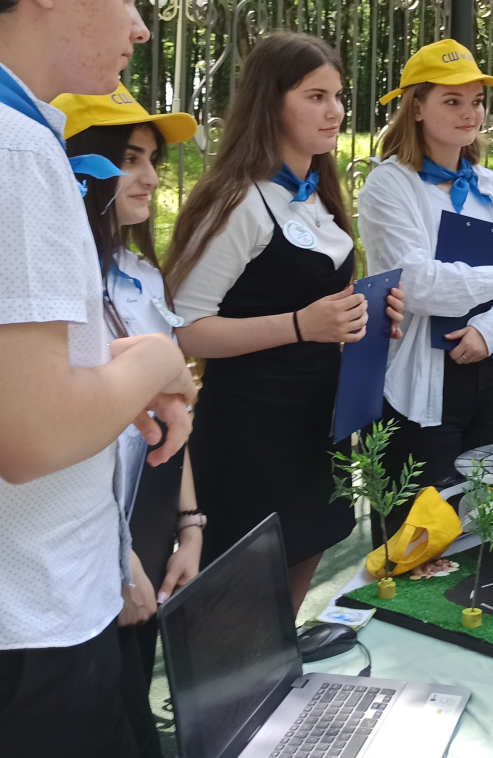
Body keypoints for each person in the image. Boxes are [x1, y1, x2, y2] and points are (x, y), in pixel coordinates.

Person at [0, 0, 197, 758]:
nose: (141, 25)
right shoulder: (8, 147)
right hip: (26, 633)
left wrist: (106, 379)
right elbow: (25, 434)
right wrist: (156, 364)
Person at [165, 31, 403, 612]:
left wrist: (364, 319)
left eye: (338, 96)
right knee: (243, 615)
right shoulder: (236, 200)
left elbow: (316, 305)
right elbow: (183, 331)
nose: (336, 111)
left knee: (296, 584)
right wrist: (302, 324)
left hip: (316, 432)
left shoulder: (319, 196)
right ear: (271, 102)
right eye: (315, 96)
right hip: (251, 436)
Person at [54, 85, 204, 758]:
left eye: (151, 158)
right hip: (83, 565)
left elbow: (175, 420)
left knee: (137, 699)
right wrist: (117, 568)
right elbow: (61, 438)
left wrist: (190, 528)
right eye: (129, 159)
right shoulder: (55, 286)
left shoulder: (144, 277)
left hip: (146, 537)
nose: (148, 177)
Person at [357, 39, 493, 511]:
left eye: (477, 101)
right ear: (416, 107)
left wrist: (487, 329)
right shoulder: (389, 185)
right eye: (452, 100)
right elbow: (417, 283)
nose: (471, 114)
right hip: (421, 391)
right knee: (421, 536)